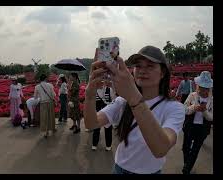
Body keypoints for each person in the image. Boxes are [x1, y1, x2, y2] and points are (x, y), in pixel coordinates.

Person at [84, 45, 185, 174]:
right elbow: (91, 123)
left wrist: (132, 95)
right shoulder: (122, 101)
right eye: (138, 66)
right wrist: (90, 95)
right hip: (119, 169)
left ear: (163, 73)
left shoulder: (174, 108)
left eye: (150, 66)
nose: (142, 71)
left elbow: (161, 149)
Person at [181, 71, 213, 174]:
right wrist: (194, 107)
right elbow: (184, 110)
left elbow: (211, 118)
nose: (202, 90)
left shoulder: (211, 100)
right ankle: (187, 163)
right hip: (190, 126)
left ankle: (187, 169)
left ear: (208, 88)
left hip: (202, 129)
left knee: (195, 150)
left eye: (205, 88)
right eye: (201, 87)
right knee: (185, 147)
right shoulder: (192, 95)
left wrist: (204, 111)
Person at [91, 81, 116, 151]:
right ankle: (94, 144)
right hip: (97, 112)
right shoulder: (94, 90)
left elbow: (114, 100)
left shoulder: (109, 89)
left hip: (107, 113)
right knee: (96, 128)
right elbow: (92, 102)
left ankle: (108, 145)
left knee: (108, 129)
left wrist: (110, 106)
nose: (101, 83)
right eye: (100, 81)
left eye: (102, 81)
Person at [34, 74, 56, 138]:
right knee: (51, 116)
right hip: (50, 102)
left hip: (43, 103)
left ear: (40, 79)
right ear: (45, 79)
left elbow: (35, 97)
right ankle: (53, 129)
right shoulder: (50, 85)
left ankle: (46, 132)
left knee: (44, 117)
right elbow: (53, 94)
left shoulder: (37, 87)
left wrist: (41, 96)